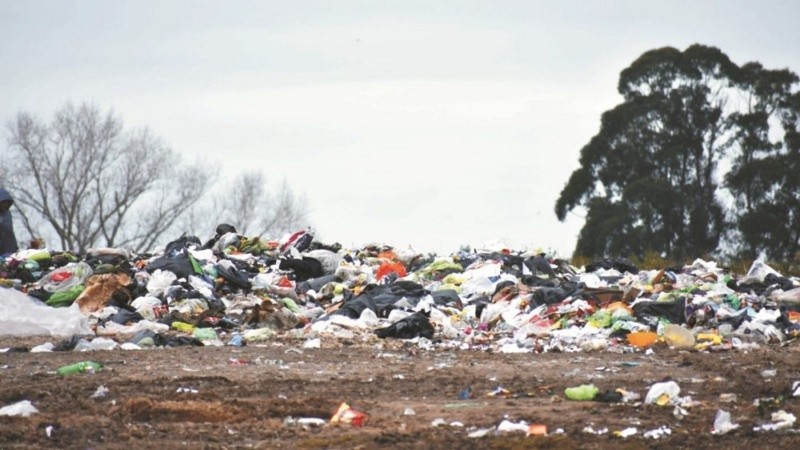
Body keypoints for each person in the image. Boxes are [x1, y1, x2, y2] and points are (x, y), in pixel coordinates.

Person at [0, 187, 19, 256]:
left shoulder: (8, 214)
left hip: (10, 250)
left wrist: (16, 248)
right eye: (3, 202)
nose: (5, 205)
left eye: (7, 203)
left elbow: (10, 232)